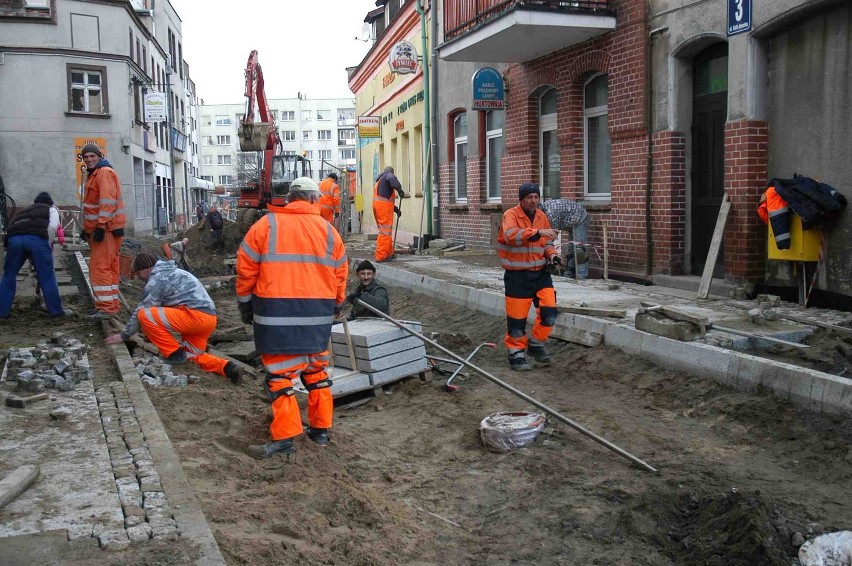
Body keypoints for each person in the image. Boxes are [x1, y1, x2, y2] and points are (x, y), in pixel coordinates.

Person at [236, 177, 348, 459]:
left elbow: (245, 269)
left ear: (289, 198)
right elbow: (340, 274)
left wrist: (245, 306)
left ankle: (285, 438)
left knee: (280, 378)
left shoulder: (266, 226)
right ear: (314, 200)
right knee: (317, 373)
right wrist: (335, 305)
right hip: (317, 318)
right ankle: (320, 432)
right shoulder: (329, 232)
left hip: (275, 318)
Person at [104, 251, 243, 384]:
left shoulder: (157, 279)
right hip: (209, 319)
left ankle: (174, 353)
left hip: (194, 317)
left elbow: (144, 309)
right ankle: (228, 368)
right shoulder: (174, 272)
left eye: (138, 273)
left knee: (144, 315)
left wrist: (123, 336)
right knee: (191, 356)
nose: (139, 278)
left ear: (145, 269)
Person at [497, 183, 560, 371]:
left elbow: (546, 242)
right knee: (517, 320)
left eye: (536, 197)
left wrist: (552, 254)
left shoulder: (542, 216)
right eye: (529, 197)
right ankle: (516, 354)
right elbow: (510, 235)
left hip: (541, 273)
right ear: (521, 199)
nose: (533, 201)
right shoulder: (511, 215)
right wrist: (537, 232)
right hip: (517, 276)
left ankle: (537, 344)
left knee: (549, 312)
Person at [0, 192, 72, 319]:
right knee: (47, 276)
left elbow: (12, 227)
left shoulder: (26, 211)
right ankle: (56, 312)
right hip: (37, 239)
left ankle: (2, 312)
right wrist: (46, 247)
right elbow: (52, 227)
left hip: (14, 239)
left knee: (8, 276)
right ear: (51, 202)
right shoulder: (52, 209)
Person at [80, 143, 126, 319]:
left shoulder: (104, 173)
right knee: (110, 267)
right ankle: (112, 304)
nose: (89, 159)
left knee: (100, 268)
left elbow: (107, 201)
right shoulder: (98, 174)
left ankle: (106, 308)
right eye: (86, 157)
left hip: (105, 230)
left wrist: (100, 225)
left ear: (99, 157)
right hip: (108, 229)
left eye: (92, 156)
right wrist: (88, 229)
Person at [539, 198, 590, 279]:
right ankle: (569, 275)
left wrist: (548, 253)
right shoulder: (543, 210)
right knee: (571, 251)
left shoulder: (550, 214)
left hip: (580, 218)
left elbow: (551, 236)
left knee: (579, 251)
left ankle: (582, 277)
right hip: (570, 221)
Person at [372, 166, 405, 263]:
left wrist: (395, 209)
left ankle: (389, 253)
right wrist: (400, 190)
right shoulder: (388, 175)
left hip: (379, 207)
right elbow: (391, 178)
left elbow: (386, 199)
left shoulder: (380, 181)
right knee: (384, 232)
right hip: (383, 208)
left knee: (386, 231)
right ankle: (381, 256)